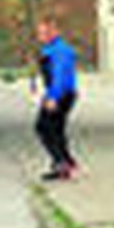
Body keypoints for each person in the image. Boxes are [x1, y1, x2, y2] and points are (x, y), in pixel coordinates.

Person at [33, 17, 80, 181]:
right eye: (40, 33)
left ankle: (63, 162)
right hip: (56, 93)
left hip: (62, 94)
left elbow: (59, 76)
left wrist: (53, 98)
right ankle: (64, 164)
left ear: (55, 32)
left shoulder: (60, 50)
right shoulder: (50, 49)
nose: (41, 36)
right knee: (55, 129)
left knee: (43, 127)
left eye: (45, 32)